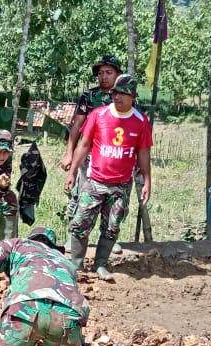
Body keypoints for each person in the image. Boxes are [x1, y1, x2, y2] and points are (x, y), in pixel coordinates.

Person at [64, 74, 152, 280]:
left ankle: (100, 265)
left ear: (133, 97)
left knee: (112, 226)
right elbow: (84, 145)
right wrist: (72, 171)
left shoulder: (140, 121)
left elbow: (144, 153)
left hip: (121, 185)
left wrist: (147, 180)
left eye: (123, 93)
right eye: (115, 93)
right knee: (80, 223)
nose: (118, 97)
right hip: (94, 181)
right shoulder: (98, 114)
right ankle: (76, 265)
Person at [58, 55, 126, 253]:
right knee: (81, 194)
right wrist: (69, 153)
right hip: (89, 155)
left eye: (108, 72)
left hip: (115, 157)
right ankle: (75, 238)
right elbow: (77, 125)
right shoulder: (89, 97)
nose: (103, 77)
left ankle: (108, 239)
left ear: (118, 75)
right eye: (100, 73)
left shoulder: (124, 97)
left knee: (114, 200)